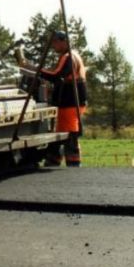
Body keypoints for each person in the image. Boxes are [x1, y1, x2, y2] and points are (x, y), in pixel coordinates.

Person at [30, 30, 87, 167]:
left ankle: (73, 164)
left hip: (70, 102)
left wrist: (37, 71)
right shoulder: (73, 55)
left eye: (55, 42)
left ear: (63, 42)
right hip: (72, 101)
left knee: (69, 133)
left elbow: (57, 76)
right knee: (62, 132)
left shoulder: (68, 57)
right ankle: (53, 160)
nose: (53, 46)